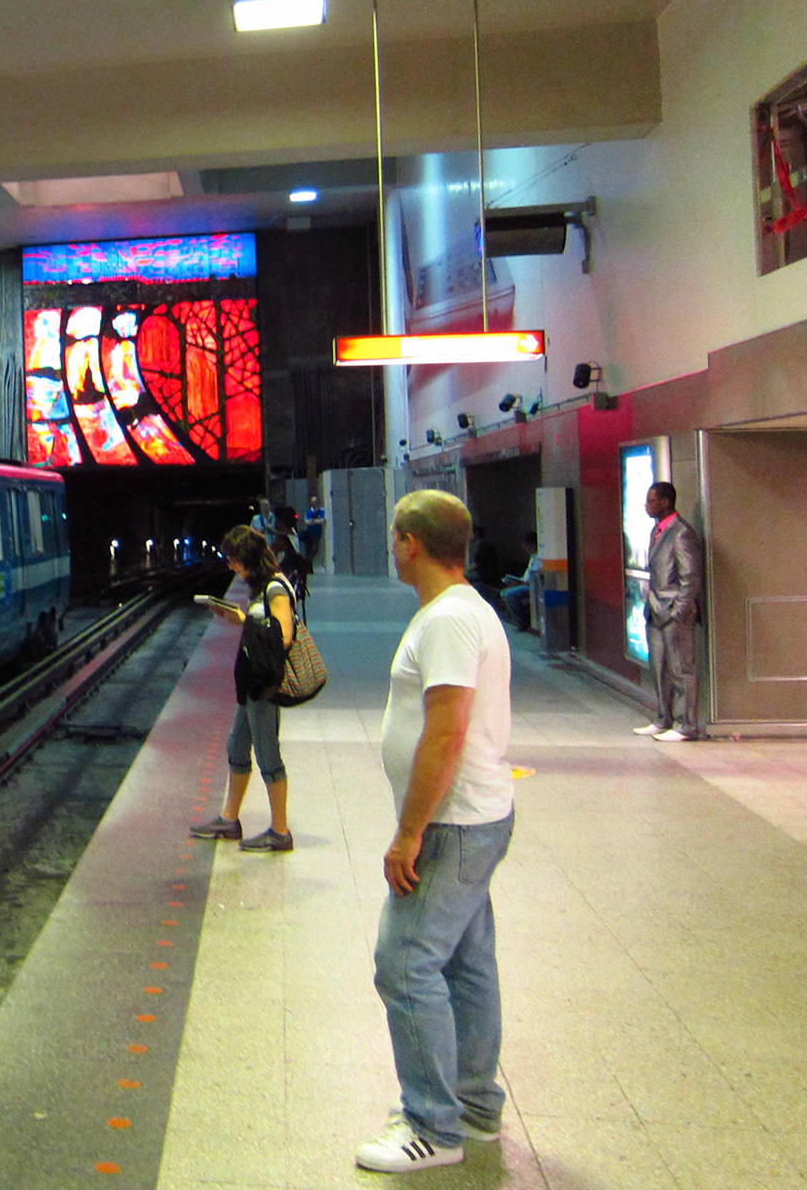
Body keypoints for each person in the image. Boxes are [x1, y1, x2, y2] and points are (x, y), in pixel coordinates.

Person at [356, 489, 514, 1174]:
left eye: (394, 538)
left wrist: (408, 831)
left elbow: (446, 731)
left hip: (450, 825)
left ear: (408, 543)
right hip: (475, 817)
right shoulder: (462, 611)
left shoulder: (448, 620)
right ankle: (475, 1106)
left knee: (405, 963)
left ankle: (432, 1125)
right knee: (466, 963)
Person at [189, 524, 296, 852]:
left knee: (267, 754)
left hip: (264, 685)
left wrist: (242, 619)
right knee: (237, 748)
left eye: (234, 560)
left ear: (248, 558)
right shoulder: (260, 586)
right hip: (251, 681)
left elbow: (284, 635)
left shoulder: (276, 589)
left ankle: (280, 831)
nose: (231, 566)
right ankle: (230, 819)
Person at [635, 480, 704, 742]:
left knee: (680, 669)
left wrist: (680, 610)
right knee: (659, 667)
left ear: (665, 502)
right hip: (655, 610)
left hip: (674, 611)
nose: (646, 505)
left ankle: (686, 724)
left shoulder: (681, 532)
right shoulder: (658, 530)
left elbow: (690, 576)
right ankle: (663, 718)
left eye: (650, 500)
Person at [499, 533, 541, 632]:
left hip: (532, 586)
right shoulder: (533, 557)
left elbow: (533, 579)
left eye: (526, 545)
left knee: (510, 595)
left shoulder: (539, 558)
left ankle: (522, 622)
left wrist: (520, 583)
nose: (525, 548)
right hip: (524, 582)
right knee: (504, 592)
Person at [303, 494, 327, 570]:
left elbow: (322, 520)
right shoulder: (308, 512)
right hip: (309, 533)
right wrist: (315, 521)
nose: (313, 503)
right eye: (312, 502)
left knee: (314, 549)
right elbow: (307, 522)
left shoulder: (322, 511)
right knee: (308, 549)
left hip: (317, 533)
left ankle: (306, 562)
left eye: (315, 502)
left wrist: (313, 521)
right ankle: (309, 569)